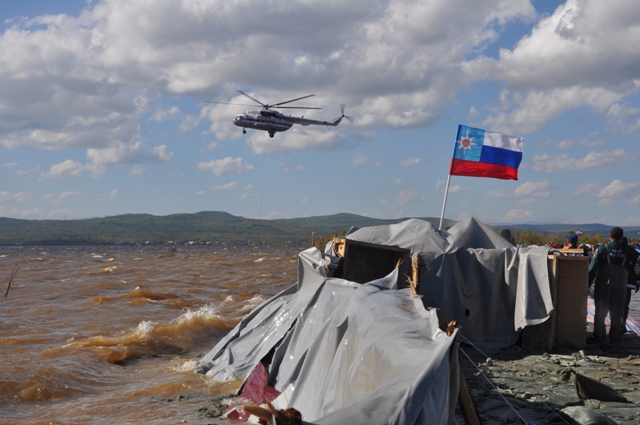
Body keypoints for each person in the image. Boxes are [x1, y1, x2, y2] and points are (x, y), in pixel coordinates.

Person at [588, 227, 628, 343]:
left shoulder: (602, 248)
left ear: (610, 236)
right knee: (617, 310)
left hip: (604, 283)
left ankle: (599, 337)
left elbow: (593, 268)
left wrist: (588, 283)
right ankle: (615, 337)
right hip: (621, 284)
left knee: (601, 310)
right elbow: (632, 267)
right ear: (621, 237)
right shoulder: (628, 250)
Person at [621, 237, 640, 334]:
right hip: (629, 281)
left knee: (615, 303)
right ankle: (622, 324)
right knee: (625, 304)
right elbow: (638, 268)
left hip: (616, 281)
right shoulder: (635, 253)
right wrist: (638, 282)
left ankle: (616, 325)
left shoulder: (617, 250)